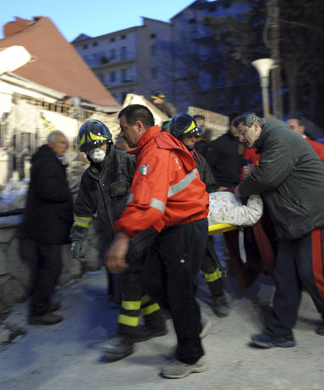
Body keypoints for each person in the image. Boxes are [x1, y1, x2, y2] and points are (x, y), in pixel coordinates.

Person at [106, 104, 209, 379]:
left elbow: (148, 204)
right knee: (153, 281)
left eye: (124, 128)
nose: (121, 133)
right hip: (172, 226)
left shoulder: (155, 152)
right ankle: (193, 321)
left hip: (184, 227)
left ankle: (191, 356)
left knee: (179, 293)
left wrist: (122, 237)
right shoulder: (157, 145)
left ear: (139, 126)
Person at [234, 112, 324, 348]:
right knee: (285, 278)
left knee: (313, 273)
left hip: (315, 216)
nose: (241, 140)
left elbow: (267, 177)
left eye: (243, 134)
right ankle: (280, 332)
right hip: (291, 221)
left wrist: (241, 189)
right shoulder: (269, 142)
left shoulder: (279, 138)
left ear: (255, 126)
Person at [69, 119, 166, 360]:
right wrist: (78, 237)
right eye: (90, 150)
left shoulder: (128, 163)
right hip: (117, 240)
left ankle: (126, 336)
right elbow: (82, 211)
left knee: (129, 285)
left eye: (99, 146)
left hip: (140, 235)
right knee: (135, 283)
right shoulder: (89, 179)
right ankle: (156, 323)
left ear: (108, 143)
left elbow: (150, 192)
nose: (95, 152)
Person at [169, 113, 229, 317]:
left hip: (197, 220)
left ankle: (218, 295)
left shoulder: (198, 159)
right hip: (174, 223)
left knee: (208, 261)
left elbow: (209, 185)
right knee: (179, 266)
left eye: (196, 135)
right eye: (190, 136)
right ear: (177, 136)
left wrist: (214, 195)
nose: (195, 139)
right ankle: (181, 303)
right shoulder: (165, 160)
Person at [21, 130, 73, 325]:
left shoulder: (47, 160)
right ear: (51, 143)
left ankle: (42, 303)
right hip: (47, 225)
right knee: (51, 267)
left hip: (46, 224)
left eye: (66, 143)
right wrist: (66, 193)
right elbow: (47, 190)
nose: (65, 147)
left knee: (45, 267)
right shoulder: (48, 162)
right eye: (62, 143)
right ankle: (39, 311)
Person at [4, 93, 43, 180]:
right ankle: (35, 179)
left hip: (20, 135)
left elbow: (12, 124)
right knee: (33, 160)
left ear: (14, 99)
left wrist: (7, 139)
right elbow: (39, 123)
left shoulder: (16, 108)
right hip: (32, 136)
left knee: (19, 159)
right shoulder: (32, 108)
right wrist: (42, 138)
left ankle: (22, 181)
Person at [205, 112, 244, 190]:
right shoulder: (217, 144)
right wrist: (216, 187)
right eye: (234, 125)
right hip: (223, 186)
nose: (237, 128)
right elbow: (207, 168)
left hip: (240, 186)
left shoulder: (245, 142)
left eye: (239, 125)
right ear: (229, 125)